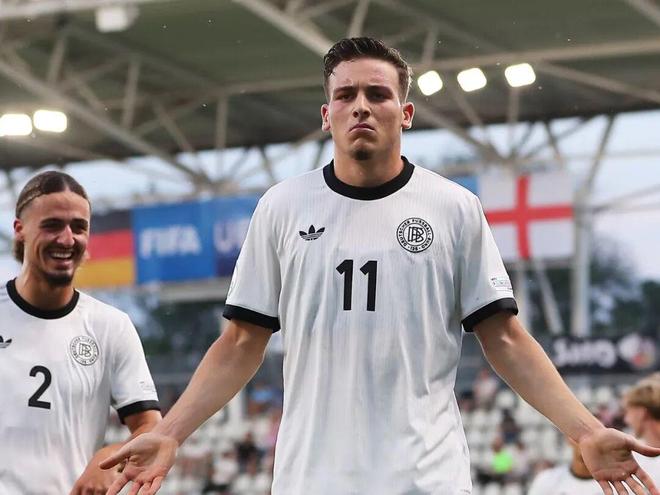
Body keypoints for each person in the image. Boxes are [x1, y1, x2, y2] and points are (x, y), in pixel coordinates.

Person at [101, 37, 660, 495]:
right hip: (311, 480)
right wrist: (171, 432)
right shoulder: (281, 207)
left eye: (378, 93)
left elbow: (506, 339)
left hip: (427, 479)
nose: (361, 106)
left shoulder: (453, 207)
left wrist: (586, 430)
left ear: (406, 113)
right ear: (327, 115)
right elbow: (241, 342)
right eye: (345, 95)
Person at [0, 171, 161, 494]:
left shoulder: (111, 326)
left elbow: (150, 426)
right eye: (52, 225)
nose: (66, 239)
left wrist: (110, 459)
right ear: (20, 230)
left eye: (78, 227)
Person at [528, 438, 609, 495]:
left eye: (593, 437)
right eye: (581, 436)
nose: (587, 443)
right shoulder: (546, 480)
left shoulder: (613, 485)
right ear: (569, 438)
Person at [624, 373, 660, 483]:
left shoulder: (632, 458)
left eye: (628, 411)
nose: (626, 419)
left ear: (641, 413)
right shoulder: (634, 456)